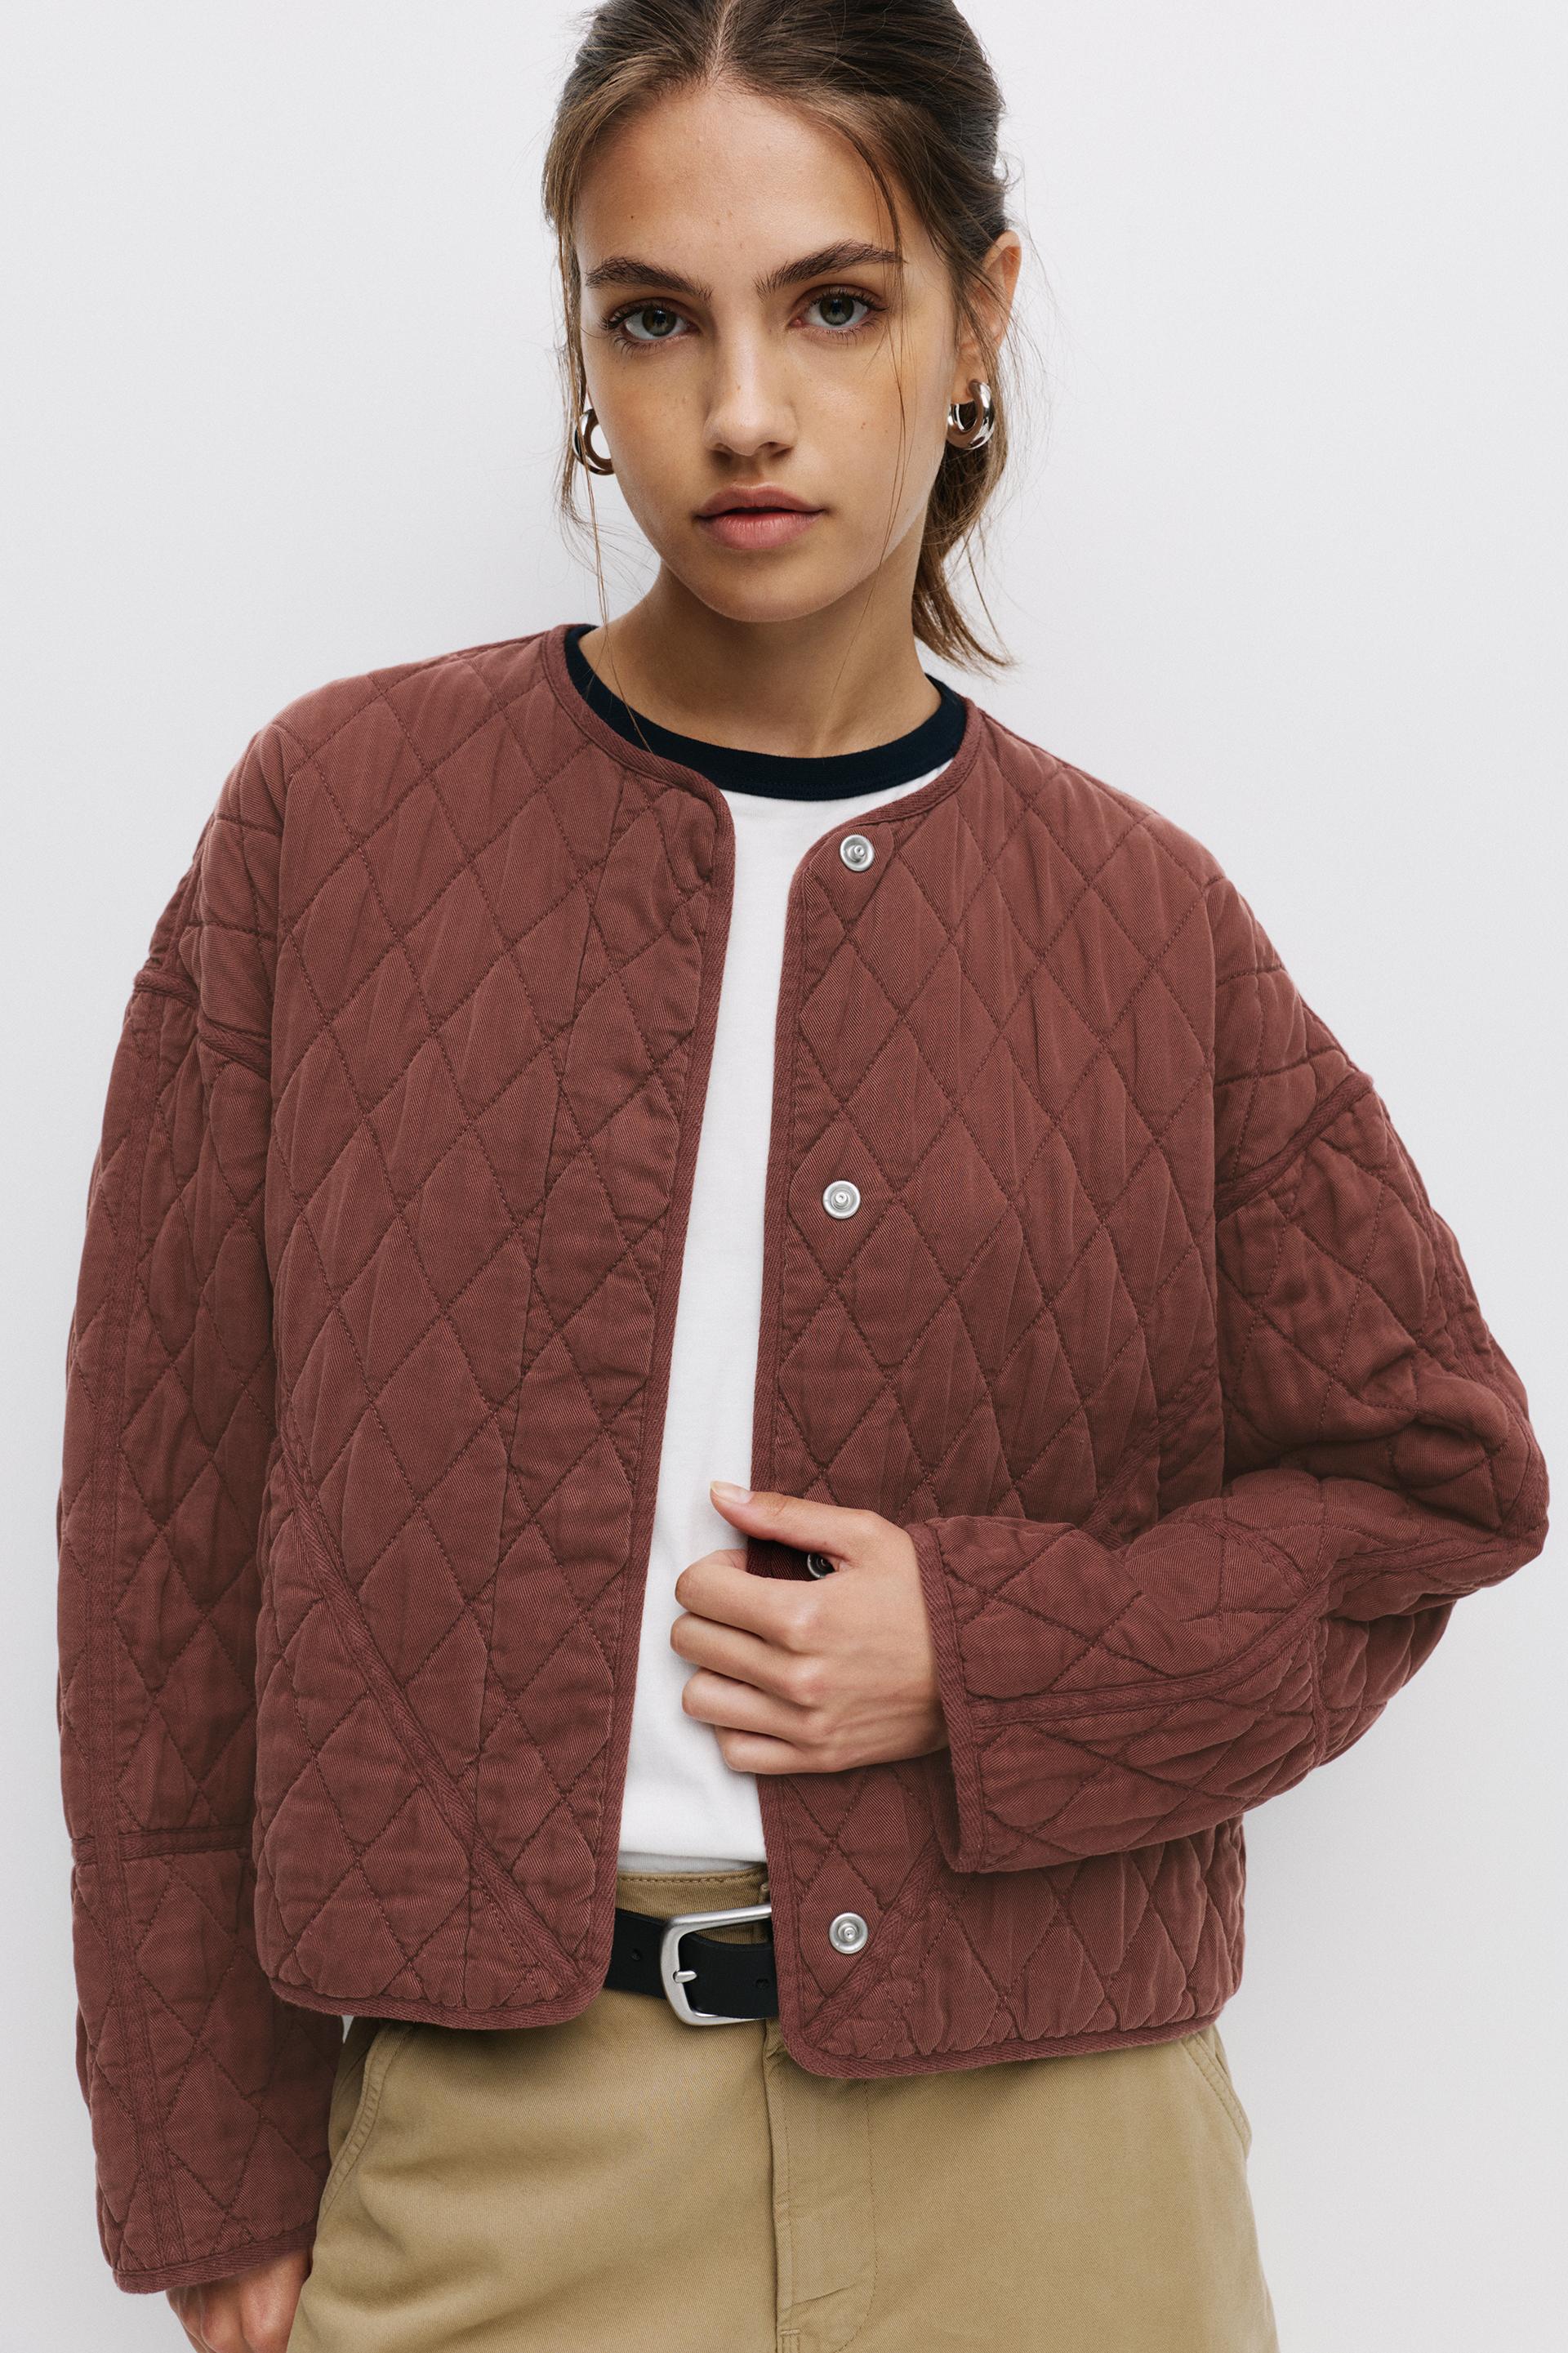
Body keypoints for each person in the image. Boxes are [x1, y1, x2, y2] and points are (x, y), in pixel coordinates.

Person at [54, 3, 1549, 2349]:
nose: (743, 408)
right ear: (584, 346)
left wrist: (990, 1654)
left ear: (979, 318)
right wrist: (203, 2171)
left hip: (1059, 2166)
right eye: (655, 318)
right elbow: (162, 1545)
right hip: (502, 2156)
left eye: (835, 304)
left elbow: (1436, 1482)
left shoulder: (1144, 927)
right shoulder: (327, 830)